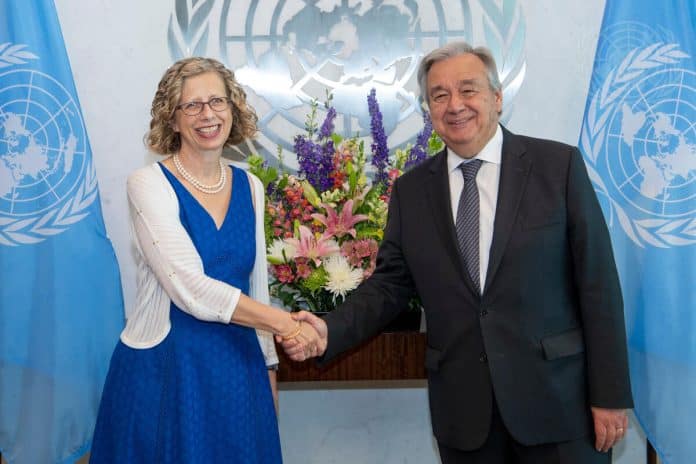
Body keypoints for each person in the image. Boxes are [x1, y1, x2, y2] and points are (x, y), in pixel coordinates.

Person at [282, 42, 633, 464]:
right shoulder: (412, 191)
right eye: (439, 95)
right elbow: (390, 286)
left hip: (559, 408)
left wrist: (610, 394)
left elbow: (598, 285)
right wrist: (328, 330)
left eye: (468, 90)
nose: (455, 105)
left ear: (497, 98)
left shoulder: (557, 168)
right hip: (465, 418)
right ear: (428, 108)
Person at [90, 57, 320, 464]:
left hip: (238, 368)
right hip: (167, 371)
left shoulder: (250, 184)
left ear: (233, 109)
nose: (207, 114)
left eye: (217, 101)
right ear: (172, 120)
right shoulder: (147, 183)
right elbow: (188, 287)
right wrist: (285, 324)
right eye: (191, 105)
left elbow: (256, 286)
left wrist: (269, 370)